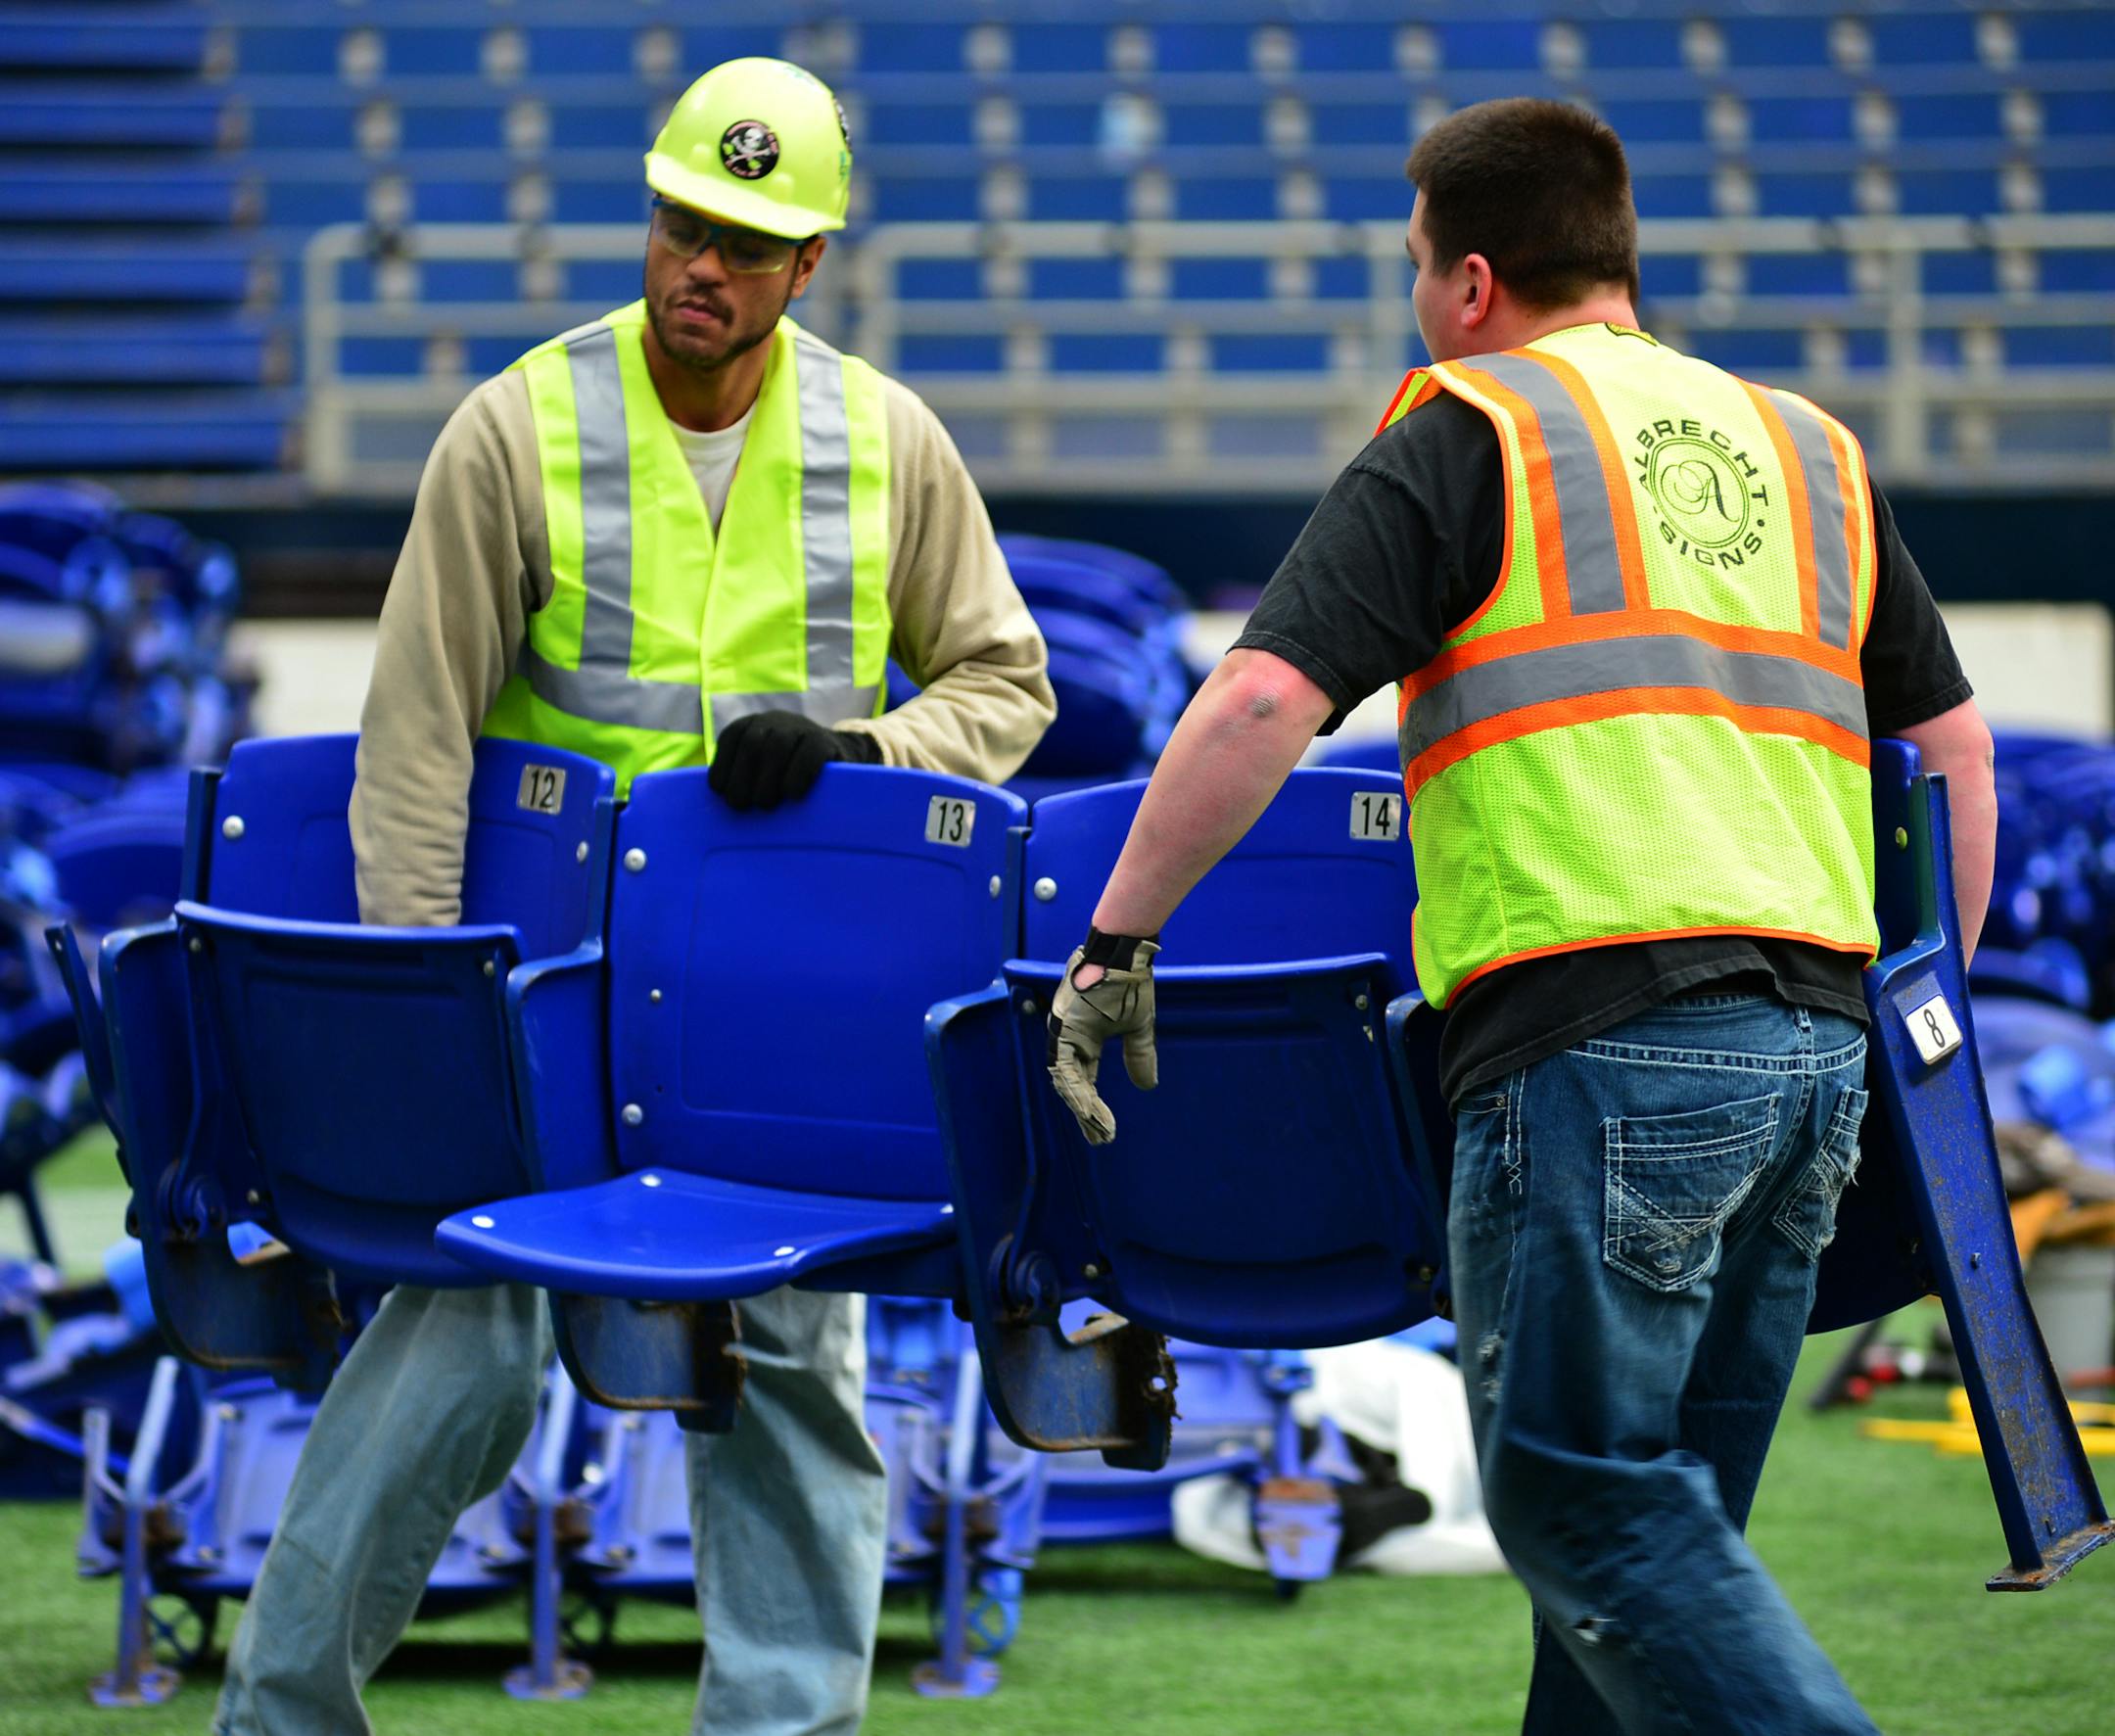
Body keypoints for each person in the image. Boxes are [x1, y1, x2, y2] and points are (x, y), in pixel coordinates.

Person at [1045, 97, 1994, 1736]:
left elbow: (1266, 695)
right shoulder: (1808, 448)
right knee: (1649, 1547)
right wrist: (1936, 1031)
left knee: (1579, 1504)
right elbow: (1955, 752)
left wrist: (1115, 940)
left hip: (1600, 1046)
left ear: (1473, 279)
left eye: (1418, 271)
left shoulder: (1468, 424)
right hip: (1820, 1052)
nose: (1417, 304)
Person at [215, 56, 1054, 1736]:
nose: (703, 267)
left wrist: (858, 742)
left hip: (772, 1011)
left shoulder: (888, 439)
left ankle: (782, 1721)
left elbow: (1005, 685)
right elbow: (415, 741)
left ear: (808, 263)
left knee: (795, 1373)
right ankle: (280, 1712)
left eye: (747, 242)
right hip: (538, 998)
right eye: (684, 224)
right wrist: (412, 1010)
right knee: (458, 1349)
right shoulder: (511, 428)